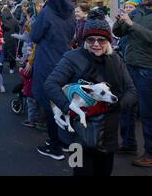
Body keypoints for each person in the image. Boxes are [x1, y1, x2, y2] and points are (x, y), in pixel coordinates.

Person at [44, 10, 137, 176]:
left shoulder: (116, 60)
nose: (96, 44)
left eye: (101, 40)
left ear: (108, 41)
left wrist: (116, 106)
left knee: (104, 173)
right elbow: (51, 84)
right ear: (84, 40)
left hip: (108, 134)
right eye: (90, 39)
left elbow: (131, 90)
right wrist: (69, 108)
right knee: (79, 173)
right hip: (77, 138)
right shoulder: (72, 57)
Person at [30, 0, 76, 160]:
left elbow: (34, 35)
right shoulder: (71, 11)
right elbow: (71, 35)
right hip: (64, 61)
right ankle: (64, 141)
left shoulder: (47, 10)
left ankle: (55, 145)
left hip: (46, 61)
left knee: (48, 102)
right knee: (62, 100)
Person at [113, 0, 152, 167]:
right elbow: (119, 33)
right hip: (130, 66)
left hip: (147, 69)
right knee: (126, 106)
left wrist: (132, 24)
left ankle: (150, 153)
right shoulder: (136, 12)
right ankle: (128, 143)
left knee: (147, 112)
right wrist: (120, 21)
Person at [0, 7, 20, 74]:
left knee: (2, 54)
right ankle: (11, 69)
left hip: (3, 39)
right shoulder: (14, 20)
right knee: (12, 54)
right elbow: (17, 29)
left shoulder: (1, 20)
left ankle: (0, 69)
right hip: (12, 39)